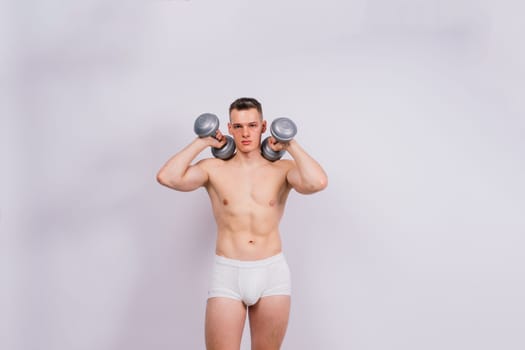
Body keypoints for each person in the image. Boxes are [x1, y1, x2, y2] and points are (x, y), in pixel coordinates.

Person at [156, 97, 328, 350]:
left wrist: (290, 144)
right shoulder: (213, 168)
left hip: (272, 273)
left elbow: (318, 182)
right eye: (238, 126)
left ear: (264, 126)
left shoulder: (283, 170)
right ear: (229, 128)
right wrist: (202, 141)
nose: (246, 133)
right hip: (228, 274)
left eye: (252, 125)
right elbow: (167, 177)